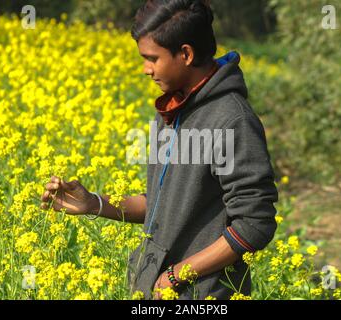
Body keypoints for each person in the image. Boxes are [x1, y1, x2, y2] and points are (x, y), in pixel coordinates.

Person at [41, 0, 278, 300]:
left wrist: (178, 274)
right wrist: (93, 204)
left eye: (152, 58)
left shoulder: (232, 121)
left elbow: (255, 223)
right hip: (155, 288)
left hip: (203, 295)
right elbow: (159, 205)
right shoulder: (171, 109)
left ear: (186, 54)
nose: (145, 69)